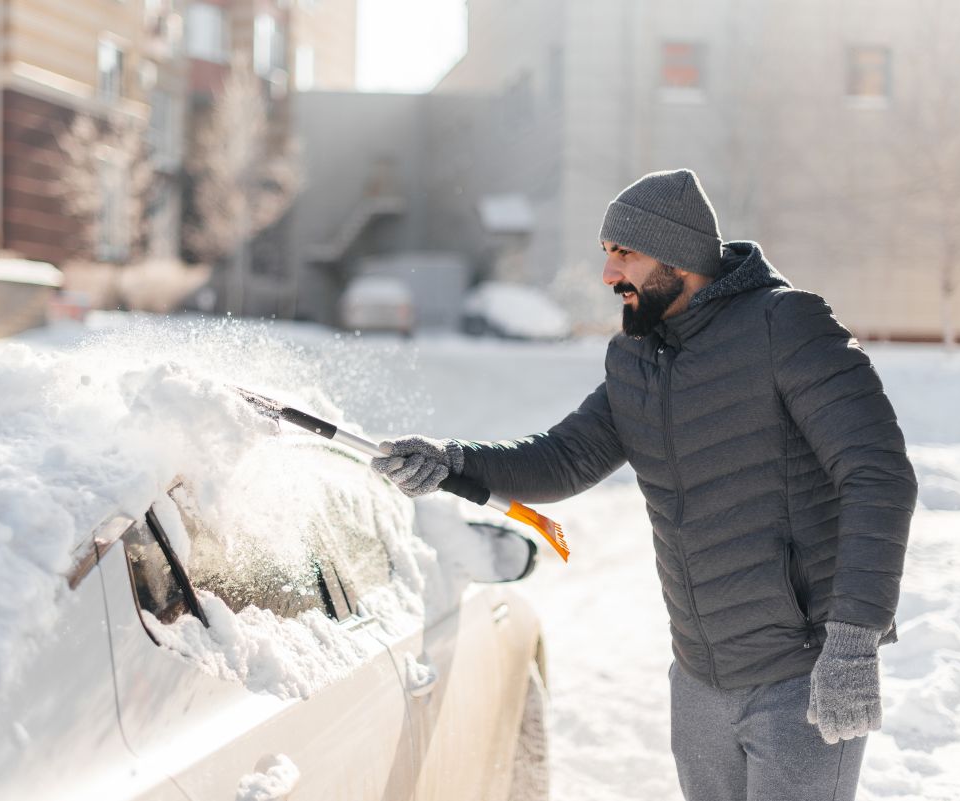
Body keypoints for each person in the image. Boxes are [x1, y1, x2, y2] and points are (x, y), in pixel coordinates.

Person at [371, 169, 916, 801]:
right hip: (699, 680)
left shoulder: (785, 325)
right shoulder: (637, 358)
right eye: (606, 255)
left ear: (680, 257)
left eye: (624, 253)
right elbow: (565, 458)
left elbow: (878, 474)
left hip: (802, 676)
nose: (608, 275)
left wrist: (852, 640)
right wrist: (453, 460)